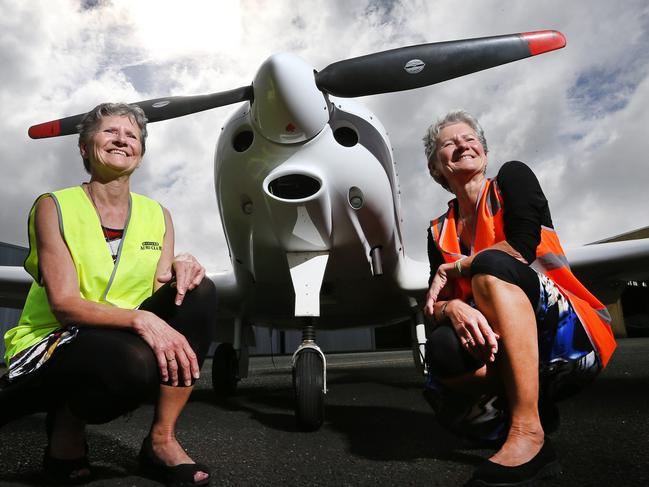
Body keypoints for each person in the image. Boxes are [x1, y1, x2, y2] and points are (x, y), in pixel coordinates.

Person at [0, 103, 216, 486]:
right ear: (85, 148)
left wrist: (184, 265)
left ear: (141, 153)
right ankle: (66, 421)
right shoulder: (55, 206)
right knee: (132, 364)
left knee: (198, 292)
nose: (121, 140)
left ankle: (161, 440)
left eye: (131, 135)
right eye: (109, 132)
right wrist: (140, 319)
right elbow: (64, 304)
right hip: (55, 339)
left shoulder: (158, 214)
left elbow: (158, 290)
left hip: (122, 338)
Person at [421, 110, 616, 486]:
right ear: (435, 167)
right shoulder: (436, 231)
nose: (463, 143)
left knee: (491, 266)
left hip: (570, 339)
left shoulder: (512, 178)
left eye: (471, 138)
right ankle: (529, 402)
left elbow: (521, 248)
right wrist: (452, 307)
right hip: (504, 345)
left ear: (485, 153)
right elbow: (432, 304)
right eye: (449, 142)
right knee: (443, 345)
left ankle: (529, 434)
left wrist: (459, 269)